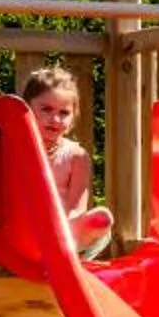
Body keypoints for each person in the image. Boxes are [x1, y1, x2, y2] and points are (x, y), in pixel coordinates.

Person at [19, 65, 112, 257]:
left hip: (61, 232)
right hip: (22, 229)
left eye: (64, 113)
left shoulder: (76, 157)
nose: (55, 119)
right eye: (46, 109)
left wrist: (68, 228)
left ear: (72, 119)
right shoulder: (15, 148)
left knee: (101, 227)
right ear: (27, 110)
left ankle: (64, 252)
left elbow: (76, 208)